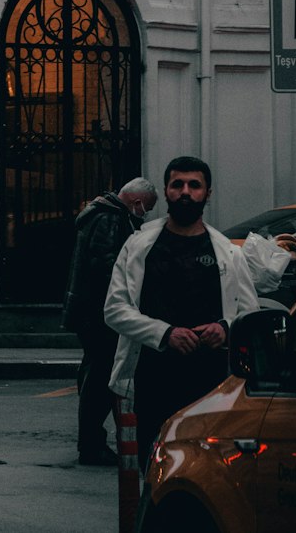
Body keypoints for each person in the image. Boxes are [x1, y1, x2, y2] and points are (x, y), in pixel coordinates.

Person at [104, 155, 259, 472]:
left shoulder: (228, 253)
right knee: (153, 468)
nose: (185, 192)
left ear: (208, 193)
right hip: (152, 380)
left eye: (194, 185)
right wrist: (165, 334)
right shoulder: (138, 246)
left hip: (211, 385)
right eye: (178, 185)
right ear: (166, 191)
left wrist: (225, 328)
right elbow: (114, 310)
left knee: (206, 470)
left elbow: (250, 313)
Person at [61, 176, 158, 465]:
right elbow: (107, 266)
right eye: (146, 208)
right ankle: (92, 445)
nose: (146, 214)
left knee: (96, 374)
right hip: (100, 313)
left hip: (90, 312)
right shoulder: (110, 220)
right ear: (137, 202)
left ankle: (96, 441)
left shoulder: (103, 215)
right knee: (102, 378)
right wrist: (129, 299)